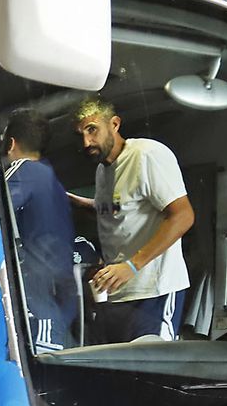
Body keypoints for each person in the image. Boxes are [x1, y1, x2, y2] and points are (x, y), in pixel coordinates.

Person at [67, 96, 195, 343]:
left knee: (153, 370)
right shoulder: (102, 170)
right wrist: (71, 200)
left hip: (154, 290)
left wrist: (132, 266)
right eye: (80, 134)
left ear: (114, 124)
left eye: (92, 129)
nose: (86, 141)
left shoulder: (146, 155)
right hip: (117, 293)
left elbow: (183, 215)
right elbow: (116, 209)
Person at [2, 109, 95, 352]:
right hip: (58, 306)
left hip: (36, 306)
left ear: (10, 143)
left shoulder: (22, 171)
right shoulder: (53, 182)